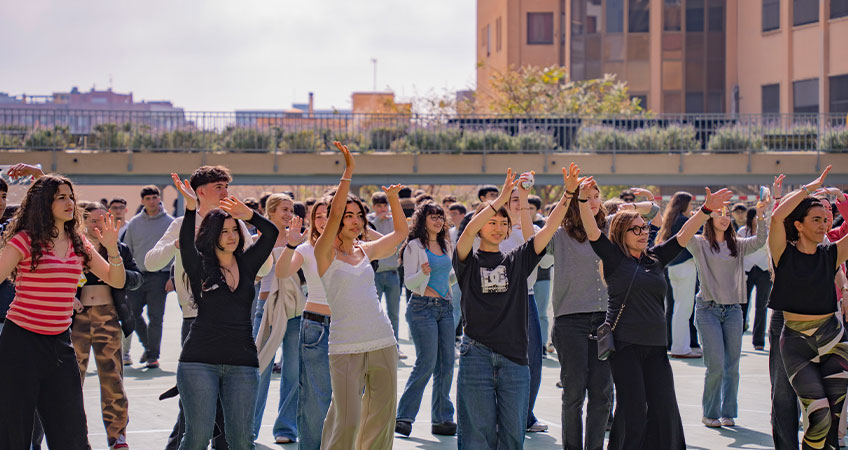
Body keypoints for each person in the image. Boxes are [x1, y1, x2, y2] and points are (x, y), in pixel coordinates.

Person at [579, 176, 733, 450]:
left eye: (644, 228)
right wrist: (581, 199)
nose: (643, 233)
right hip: (625, 347)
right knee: (635, 410)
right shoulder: (614, 259)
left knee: (664, 410)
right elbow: (592, 232)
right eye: (635, 230)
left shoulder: (656, 257)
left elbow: (683, 235)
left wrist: (706, 210)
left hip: (656, 347)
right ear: (621, 234)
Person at [146, 165, 273, 450]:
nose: (226, 192)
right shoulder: (182, 224)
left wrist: (248, 233)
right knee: (195, 413)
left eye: (227, 187)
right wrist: (178, 245)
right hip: (197, 319)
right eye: (219, 187)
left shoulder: (236, 225)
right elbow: (151, 262)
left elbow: (263, 267)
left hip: (236, 322)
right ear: (199, 192)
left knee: (225, 415)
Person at [0, 173, 126, 449]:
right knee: (14, 434)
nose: (70, 202)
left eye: (71, 196)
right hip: (20, 344)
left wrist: (113, 247)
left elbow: (116, 279)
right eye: (61, 197)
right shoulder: (24, 240)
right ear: (45, 203)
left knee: (71, 436)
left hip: (60, 346)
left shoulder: (80, 243)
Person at [454, 167, 575, 449]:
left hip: (515, 359)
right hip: (476, 355)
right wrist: (503, 197)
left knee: (512, 436)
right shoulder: (466, 260)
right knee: (476, 436)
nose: (497, 227)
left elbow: (548, 229)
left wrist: (568, 194)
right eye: (491, 221)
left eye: (502, 223)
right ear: (481, 226)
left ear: (510, 229)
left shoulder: (517, 260)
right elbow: (469, 228)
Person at [313, 142, 407, 449]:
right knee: (347, 420)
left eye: (358, 215)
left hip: (383, 340)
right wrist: (349, 172)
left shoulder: (366, 251)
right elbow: (335, 210)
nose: (354, 220)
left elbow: (400, 236)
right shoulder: (324, 253)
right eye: (348, 215)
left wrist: (393, 200)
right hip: (345, 347)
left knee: (381, 419)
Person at [768, 165, 848, 450]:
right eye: (816, 219)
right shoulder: (783, 253)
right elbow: (777, 217)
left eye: (826, 220)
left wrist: (840, 201)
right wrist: (808, 190)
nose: (824, 225)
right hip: (796, 342)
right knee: (820, 417)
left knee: (834, 421)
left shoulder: (832, 252)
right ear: (798, 224)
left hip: (834, 339)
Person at [687, 200, 769, 428]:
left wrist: (761, 216)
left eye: (727, 213)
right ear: (710, 218)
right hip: (707, 310)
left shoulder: (738, 245)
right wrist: (701, 213)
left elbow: (761, 241)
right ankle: (710, 412)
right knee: (716, 365)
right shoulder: (700, 244)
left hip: (733, 310)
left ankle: (728, 412)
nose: (724, 217)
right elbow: (683, 237)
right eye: (718, 213)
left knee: (732, 366)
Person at [548, 166, 612, 450]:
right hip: (570, 322)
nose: (594, 199)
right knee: (573, 394)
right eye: (588, 195)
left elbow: (651, 214)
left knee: (602, 394)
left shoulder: (611, 231)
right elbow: (530, 235)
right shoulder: (559, 235)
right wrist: (570, 192)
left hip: (606, 322)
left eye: (597, 194)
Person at [73, 201, 144, 449]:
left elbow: (136, 278)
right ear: (81, 222)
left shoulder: (119, 249)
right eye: (93, 220)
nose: (99, 225)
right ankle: (76, 437)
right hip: (75, 322)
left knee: (113, 380)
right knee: (72, 381)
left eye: (104, 220)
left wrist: (119, 271)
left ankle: (118, 436)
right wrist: (68, 296)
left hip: (108, 319)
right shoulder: (72, 248)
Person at [274, 197, 332, 450]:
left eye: (329, 214)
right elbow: (282, 272)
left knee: (351, 396)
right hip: (316, 327)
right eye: (318, 216)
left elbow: (394, 240)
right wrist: (290, 245)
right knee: (315, 396)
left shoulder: (355, 246)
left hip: (349, 325)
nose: (323, 220)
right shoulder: (306, 249)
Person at [395, 202, 457, 437]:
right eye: (433, 217)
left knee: (447, 363)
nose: (438, 221)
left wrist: (455, 277)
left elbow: (447, 277)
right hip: (422, 308)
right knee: (427, 362)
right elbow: (411, 283)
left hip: (445, 308)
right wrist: (423, 273)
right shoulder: (414, 246)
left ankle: (442, 418)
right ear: (422, 220)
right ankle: (404, 417)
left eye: (441, 217)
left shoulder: (446, 244)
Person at [252, 193, 304, 444]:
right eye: (284, 209)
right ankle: (248, 428)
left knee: (293, 371)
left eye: (291, 209)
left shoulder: (301, 240)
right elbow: (252, 277)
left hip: (295, 309)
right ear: (270, 211)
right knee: (259, 368)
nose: (289, 214)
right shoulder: (256, 240)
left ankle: (286, 428)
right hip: (266, 307)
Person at [121, 185, 174, 368]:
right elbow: (127, 251)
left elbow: (177, 253)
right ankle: (148, 346)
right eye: (148, 198)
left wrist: (172, 278)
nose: (152, 201)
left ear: (159, 199)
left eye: (155, 197)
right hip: (138, 275)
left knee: (156, 316)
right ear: (142, 201)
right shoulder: (135, 223)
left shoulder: (170, 222)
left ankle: (153, 356)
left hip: (160, 276)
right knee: (132, 313)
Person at [658, 191, 702, 358]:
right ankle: (681, 348)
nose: (691, 207)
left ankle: (677, 345)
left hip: (673, 267)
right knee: (684, 309)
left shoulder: (671, 219)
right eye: (690, 204)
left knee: (677, 308)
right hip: (684, 266)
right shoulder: (684, 221)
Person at [368, 191, 405, 359]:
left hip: (392, 273)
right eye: (379, 206)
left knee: (394, 314)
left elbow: (396, 245)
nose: (382, 209)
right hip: (374, 275)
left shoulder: (394, 223)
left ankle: (394, 347)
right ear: (374, 207)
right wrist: (376, 221)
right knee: (373, 312)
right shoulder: (368, 222)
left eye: (385, 206)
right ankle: (374, 347)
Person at [738, 207, 772, 350]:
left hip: (764, 270)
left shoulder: (768, 232)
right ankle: (736, 338)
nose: (759, 219)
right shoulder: (742, 232)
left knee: (762, 306)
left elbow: (769, 249)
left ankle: (758, 341)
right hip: (746, 271)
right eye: (757, 217)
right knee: (742, 305)